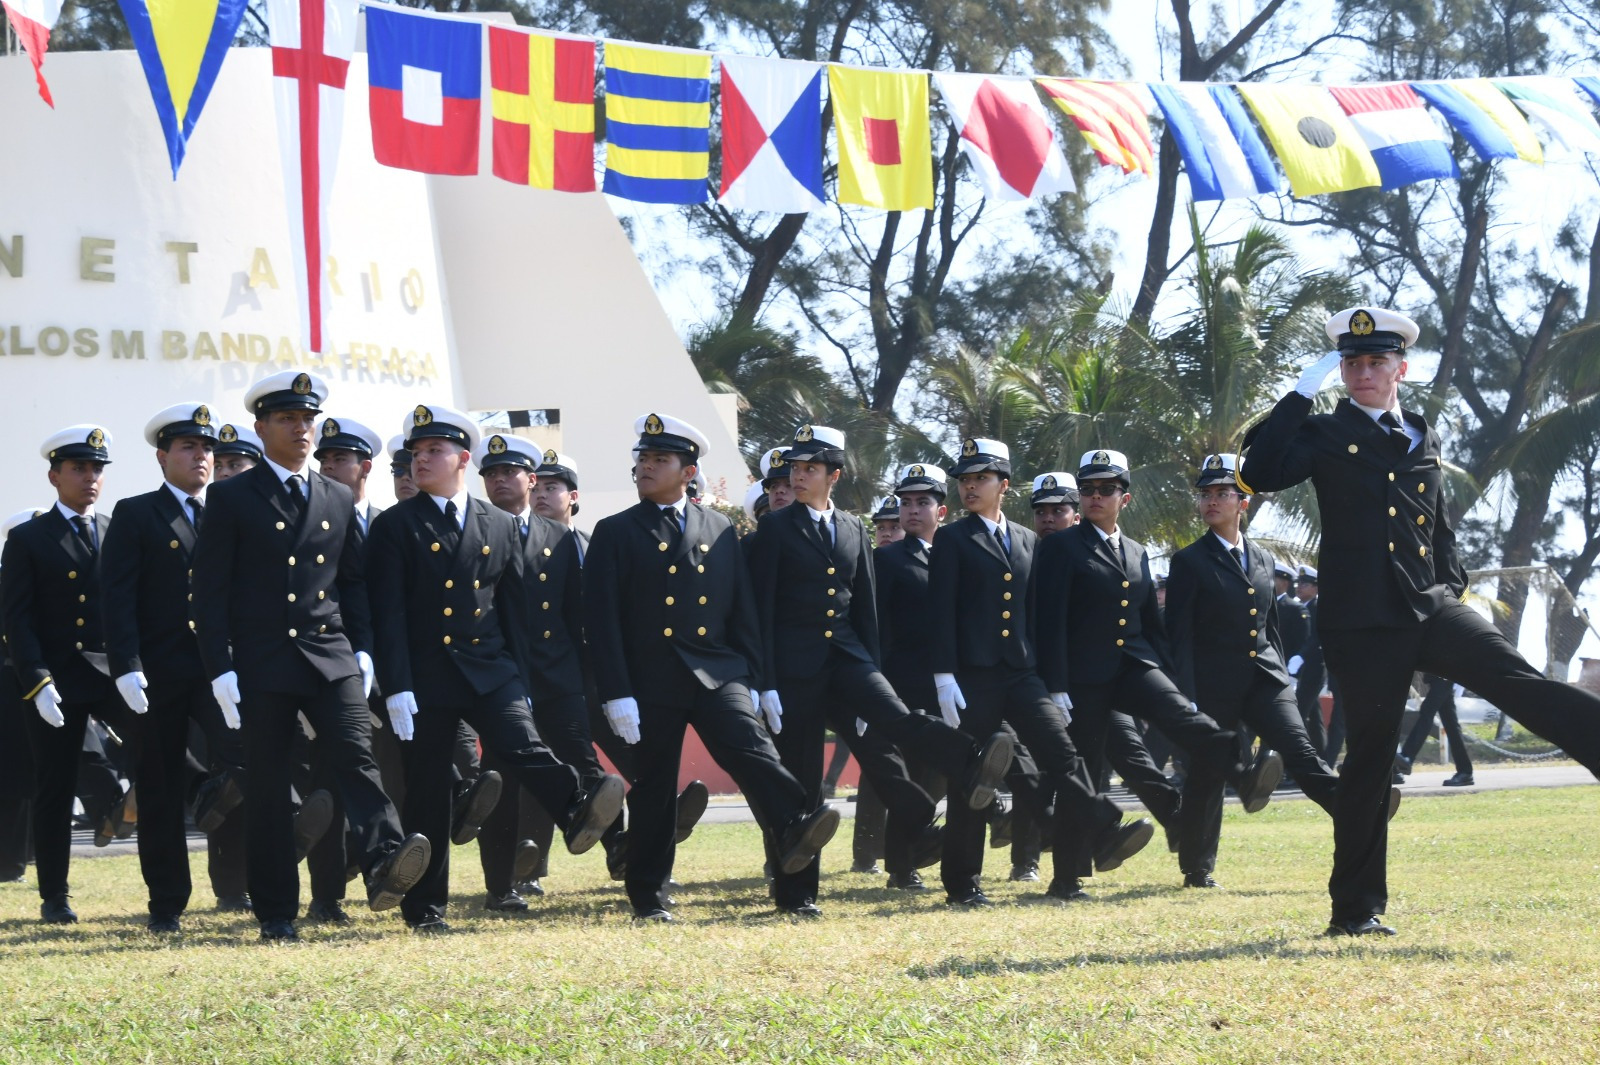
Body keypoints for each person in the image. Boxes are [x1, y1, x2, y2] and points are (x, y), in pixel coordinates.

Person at [1240, 305, 1600, 937]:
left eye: (1375, 362)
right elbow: (1259, 471)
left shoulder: (1423, 432)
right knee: (1370, 760)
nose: (1362, 373)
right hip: (1361, 623)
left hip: (1428, 604)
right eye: (1351, 363)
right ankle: (1354, 912)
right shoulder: (1322, 432)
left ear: (1400, 368)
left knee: (1515, 678)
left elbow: (1436, 523)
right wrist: (1300, 393)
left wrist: (1452, 584)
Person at [189, 370, 430, 941]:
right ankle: (276, 911)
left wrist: (364, 649)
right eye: (287, 419)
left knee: (356, 757)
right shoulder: (230, 497)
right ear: (261, 427)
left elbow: (353, 583)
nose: (301, 429)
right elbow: (209, 591)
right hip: (262, 658)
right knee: (270, 785)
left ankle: (384, 859)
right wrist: (218, 666)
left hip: (330, 653)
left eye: (307, 420)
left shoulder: (334, 495)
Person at [365, 406, 625, 932]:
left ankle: (576, 809)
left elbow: (514, 611)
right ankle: (426, 909)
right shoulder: (395, 526)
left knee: (524, 747)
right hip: (427, 676)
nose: (421, 461)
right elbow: (386, 612)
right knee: (429, 790)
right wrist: (397, 686)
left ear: (462, 458)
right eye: (415, 454)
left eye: (433, 451)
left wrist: (522, 682)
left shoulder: (500, 524)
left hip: (492, 668)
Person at [748, 424, 1016, 916]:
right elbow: (759, 608)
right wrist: (763, 682)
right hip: (793, 668)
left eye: (810, 469)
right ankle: (796, 894)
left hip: (850, 656)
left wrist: (871, 665)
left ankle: (972, 761)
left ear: (834, 474)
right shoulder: (775, 528)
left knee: (897, 718)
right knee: (803, 778)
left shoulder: (850, 526)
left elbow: (866, 606)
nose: (799, 477)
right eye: (795, 469)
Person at [584, 412, 839, 922]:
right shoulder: (614, 532)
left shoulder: (718, 526)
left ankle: (794, 829)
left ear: (689, 470)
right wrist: (615, 691)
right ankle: (649, 897)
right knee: (654, 787)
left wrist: (760, 681)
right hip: (649, 676)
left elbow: (740, 608)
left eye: (661, 459)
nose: (646, 467)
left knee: (754, 751)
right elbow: (601, 620)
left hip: (718, 670)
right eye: (643, 458)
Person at [1033, 448, 1284, 897]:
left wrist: (1170, 678)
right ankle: (1067, 879)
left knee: (1182, 717)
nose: (1095, 497)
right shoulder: (1061, 546)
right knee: (1087, 771)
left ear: (1124, 498)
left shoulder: (1134, 550)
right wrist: (1055, 685)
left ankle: (1243, 773)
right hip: (1082, 678)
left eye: (1106, 489)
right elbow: (1047, 620)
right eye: (1088, 489)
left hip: (1134, 664)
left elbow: (1151, 622)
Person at [929, 440, 1158, 905]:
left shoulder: (1027, 539)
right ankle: (963, 884)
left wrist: (1054, 684)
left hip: (1022, 671)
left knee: (1064, 754)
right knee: (973, 778)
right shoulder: (953, 537)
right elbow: (941, 611)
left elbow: (1040, 617)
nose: (970, 487)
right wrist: (943, 676)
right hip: (972, 675)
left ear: (1004, 486)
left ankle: (1075, 866)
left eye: (981, 479)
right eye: (965, 480)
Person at [99, 403, 256, 931]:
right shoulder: (136, 512)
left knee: (246, 765)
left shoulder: (231, 510)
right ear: (162, 456)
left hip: (222, 670)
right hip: (159, 671)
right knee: (160, 785)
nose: (202, 457)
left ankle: (243, 884)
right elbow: (116, 596)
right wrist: (124, 664)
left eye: (208, 448)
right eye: (189, 447)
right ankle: (166, 902)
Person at [1163, 453, 1351, 889]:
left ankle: (1353, 808)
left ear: (1242, 502)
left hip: (1266, 678)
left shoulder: (1264, 559)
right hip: (1213, 686)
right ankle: (1197, 867)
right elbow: (1180, 635)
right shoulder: (1189, 561)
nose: (1211, 501)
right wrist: (1185, 695)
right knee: (1208, 774)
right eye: (1205, 494)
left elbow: (1269, 625)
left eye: (1221, 493)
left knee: (1299, 751)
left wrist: (1282, 674)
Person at [2, 425, 145, 924]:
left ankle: (197, 796)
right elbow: (17, 620)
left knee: (158, 744)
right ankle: (55, 896)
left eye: (97, 470)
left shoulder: (115, 529)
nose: (90, 478)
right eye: (79, 468)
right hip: (56, 680)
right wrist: (36, 681)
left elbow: (131, 607)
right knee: (55, 787)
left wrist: (134, 668)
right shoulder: (26, 539)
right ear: (54, 475)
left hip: (109, 674)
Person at [1024, 471, 1183, 874]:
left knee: (1127, 755)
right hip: (1040, 685)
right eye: (1040, 511)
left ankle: (1175, 821)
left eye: (1058, 510)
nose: (1047, 519)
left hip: (1095, 683)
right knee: (1046, 772)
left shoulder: (1092, 555)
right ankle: (1043, 854)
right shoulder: (1021, 552)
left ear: (1075, 515)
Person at [1395, 674, 1474, 786]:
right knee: (1451, 724)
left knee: (1427, 712)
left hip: (1445, 675)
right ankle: (1465, 771)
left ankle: (1407, 757)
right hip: (1440, 676)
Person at [388, 435, 418, 501]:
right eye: (398, 471)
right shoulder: (388, 512)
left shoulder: (444, 511)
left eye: (413, 471)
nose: (405, 477)